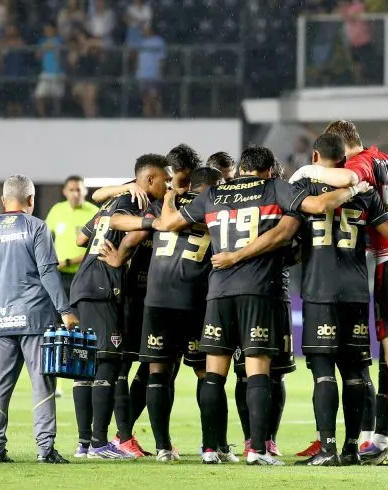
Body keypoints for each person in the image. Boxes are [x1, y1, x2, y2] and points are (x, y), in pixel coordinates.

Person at [242, 133, 388, 466]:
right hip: (357, 291)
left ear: (315, 155)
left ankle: (327, 449)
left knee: (324, 372)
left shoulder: (301, 189)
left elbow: (288, 235)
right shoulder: (367, 194)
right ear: (344, 159)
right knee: (357, 372)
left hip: (321, 291)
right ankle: (351, 449)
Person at [151, 146, 314, 465]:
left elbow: (168, 224)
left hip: (218, 292)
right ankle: (257, 449)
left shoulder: (215, 194)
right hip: (257, 290)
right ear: (268, 170)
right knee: (257, 372)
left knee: (213, 374)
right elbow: (301, 219)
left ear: (241, 168)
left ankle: (211, 448)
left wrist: (171, 193)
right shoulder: (275, 188)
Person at [111, 166, 223, 462]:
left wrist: (119, 257)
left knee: (157, 373)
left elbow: (128, 233)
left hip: (157, 299)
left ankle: (163, 448)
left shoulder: (163, 205)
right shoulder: (216, 206)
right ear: (212, 187)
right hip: (195, 299)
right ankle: (211, 447)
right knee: (205, 373)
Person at [0, 174, 77, 464]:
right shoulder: (36, 227)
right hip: (34, 318)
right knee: (42, 383)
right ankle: (45, 449)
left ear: (3, 200)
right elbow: (48, 273)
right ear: (31, 200)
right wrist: (65, 310)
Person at [69, 154, 170, 460]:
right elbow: (126, 226)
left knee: (86, 368)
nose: (167, 184)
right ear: (150, 179)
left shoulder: (111, 201)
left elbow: (80, 238)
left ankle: (85, 443)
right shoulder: (139, 203)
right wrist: (127, 248)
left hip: (83, 284)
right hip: (104, 286)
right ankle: (100, 443)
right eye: (165, 179)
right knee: (108, 364)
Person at [45, 176, 98, 302]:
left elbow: (97, 248)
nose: (75, 194)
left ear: (85, 191)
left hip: (85, 274)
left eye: (78, 190)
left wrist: (68, 262)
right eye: (71, 190)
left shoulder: (95, 212)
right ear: (65, 192)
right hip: (59, 274)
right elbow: (43, 238)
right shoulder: (57, 209)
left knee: (79, 315)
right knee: (59, 315)